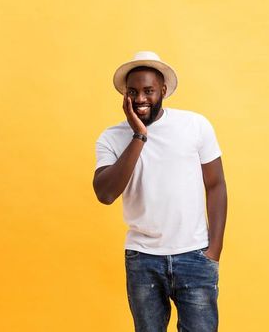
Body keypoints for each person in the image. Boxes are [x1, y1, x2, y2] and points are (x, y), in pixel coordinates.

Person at [93, 51, 228, 331]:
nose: (140, 99)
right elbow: (105, 194)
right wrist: (139, 135)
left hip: (194, 255)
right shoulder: (111, 137)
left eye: (148, 91)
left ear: (163, 90)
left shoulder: (195, 126)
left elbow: (215, 184)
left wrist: (214, 250)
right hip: (142, 258)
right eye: (133, 92)